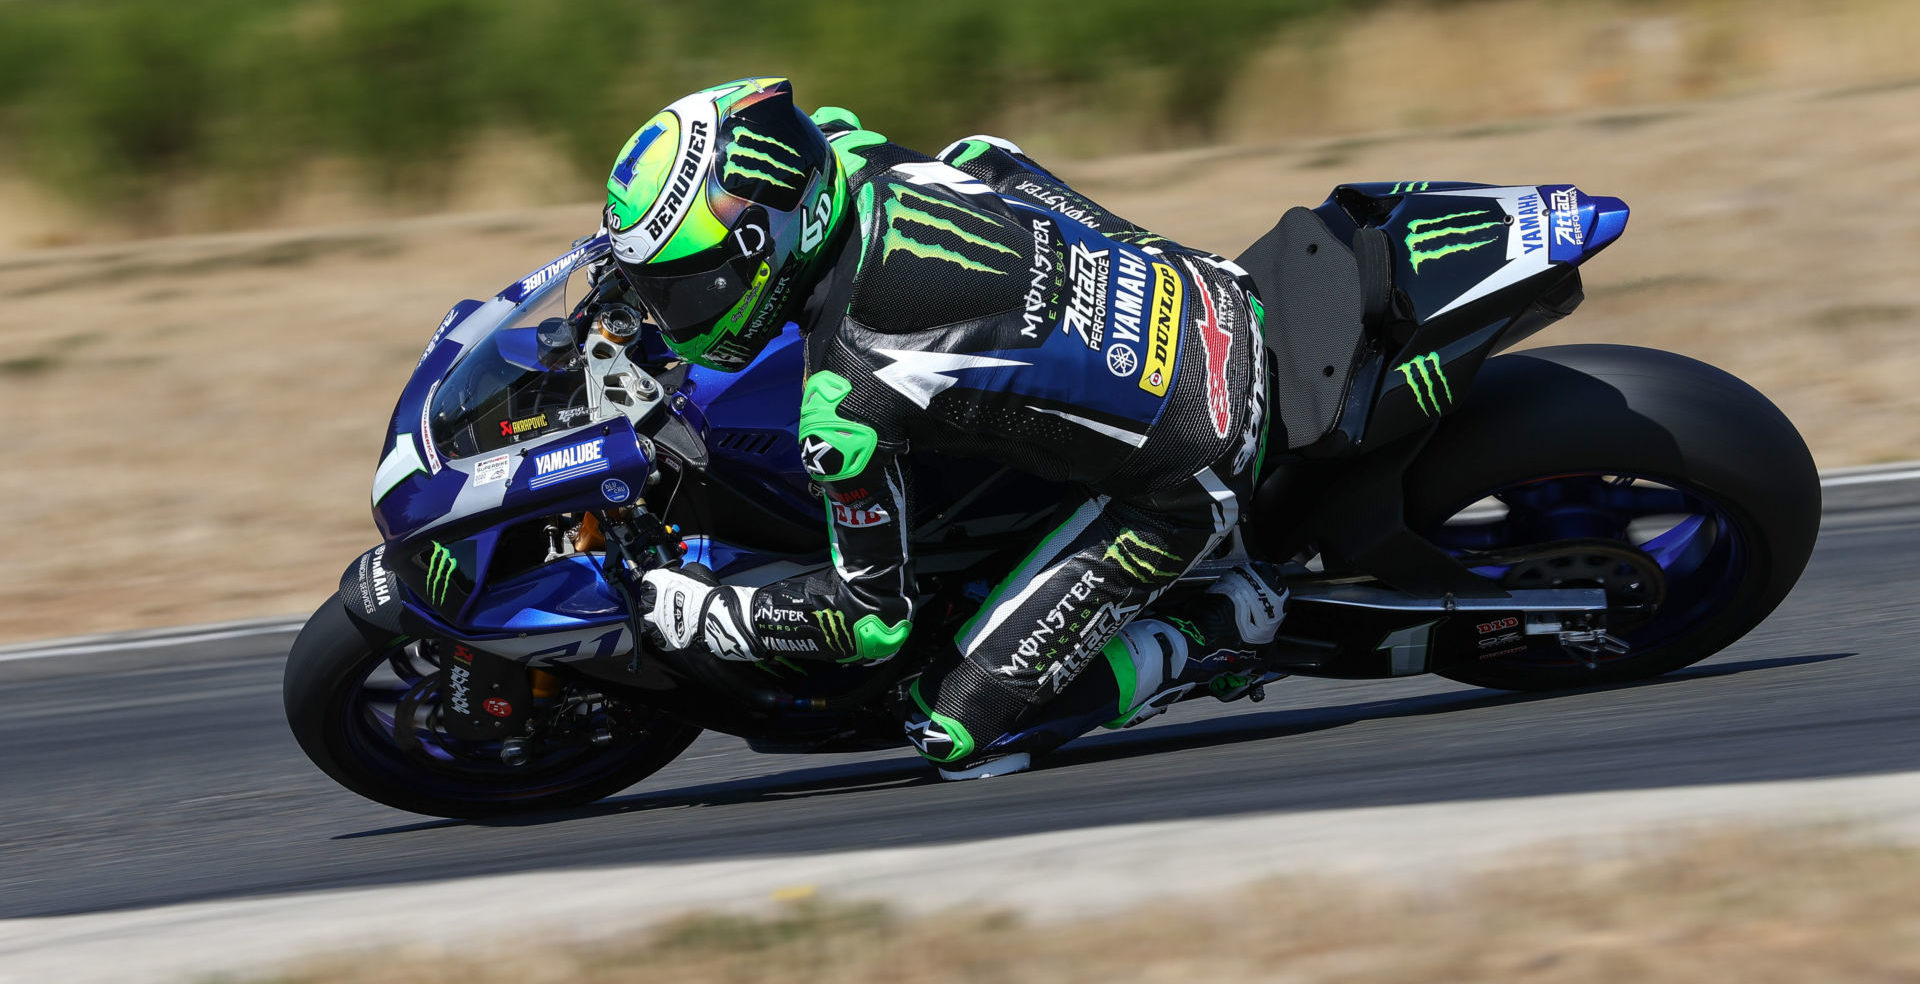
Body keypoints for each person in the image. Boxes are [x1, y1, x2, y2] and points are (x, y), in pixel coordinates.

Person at [613, 77, 1287, 780]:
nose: (671, 313)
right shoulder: (852, 157)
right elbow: (834, 126)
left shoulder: (848, 396)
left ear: (758, 250)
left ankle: (1215, 634)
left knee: (955, 736)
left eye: (680, 289)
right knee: (977, 156)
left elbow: (871, 621)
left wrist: (708, 614)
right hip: (1209, 287)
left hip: (1199, 457)